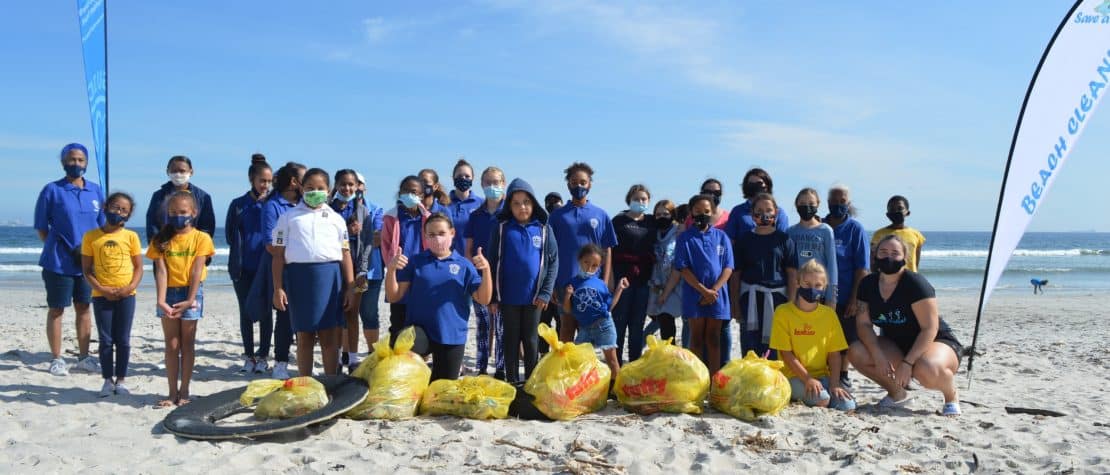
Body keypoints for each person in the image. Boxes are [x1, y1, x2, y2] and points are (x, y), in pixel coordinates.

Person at [848, 235, 963, 416]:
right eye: (883, 252)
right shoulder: (868, 284)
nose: (888, 257)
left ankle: (951, 396)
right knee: (856, 351)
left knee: (926, 369)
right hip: (897, 344)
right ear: (875, 256)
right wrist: (878, 355)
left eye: (895, 253)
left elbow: (929, 328)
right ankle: (897, 394)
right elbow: (863, 324)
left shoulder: (915, 284)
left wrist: (907, 363)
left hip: (934, 341)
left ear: (905, 257)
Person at [386, 213, 493, 381]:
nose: (437, 239)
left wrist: (486, 270)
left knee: (442, 388)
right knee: (407, 367)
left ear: (452, 233)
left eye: (442, 233)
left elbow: (484, 299)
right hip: (420, 331)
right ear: (425, 236)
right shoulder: (416, 262)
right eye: (432, 235)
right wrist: (391, 270)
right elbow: (394, 296)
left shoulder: (464, 265)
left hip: (451, 334)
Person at [271, 168, 356, 377]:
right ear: (301, 188)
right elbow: (278, 255)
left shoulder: (336, 219)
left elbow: (345, 254)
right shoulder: (288, 217)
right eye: (309, 188)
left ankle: (330, 382)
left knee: (329, 337)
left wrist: (350, 288)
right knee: (304, 336)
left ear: (329, 191)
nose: (314, 192)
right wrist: (277, 288)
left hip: (330, 279)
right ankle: (305, 384)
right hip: (299, 279)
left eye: (320, 188)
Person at [34, 143, 105, 376]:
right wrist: (61, 248)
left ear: (87, 163)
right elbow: (42, 228)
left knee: (84, 307)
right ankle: (57, 358)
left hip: (87, 262)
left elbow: (103, 226)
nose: (77, 164)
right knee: (56, 309)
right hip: (58, 262)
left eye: (81, 160)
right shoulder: (52, 190)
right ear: (64, 162)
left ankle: (84, 356)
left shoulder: (95, 190)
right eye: (72, 160)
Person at [147, 191, 215, 407]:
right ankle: (171, 392)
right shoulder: (160, 239)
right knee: (171, 344)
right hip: (169, 293)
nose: (178, 216)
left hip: (191, 293)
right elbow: (161, 271)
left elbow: (197, 270)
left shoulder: (201, 238)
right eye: (174, 212)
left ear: (193, 213)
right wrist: (161, 299)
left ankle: (184, 390)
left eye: (183, 212)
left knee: (187, 344)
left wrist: (190, 299)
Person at [486, 178, 558, 383]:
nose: (522, 207)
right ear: (509, 205)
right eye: (516, 203)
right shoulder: (501, 228)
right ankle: (512, 382)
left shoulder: (543, 229)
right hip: (507, 297)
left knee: (531, 340)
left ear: (533, 203)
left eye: (526, 201)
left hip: (534, 298)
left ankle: (530, 382)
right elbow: (492, 262)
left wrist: (545, 292)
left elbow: (553, 262)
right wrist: (493, 296)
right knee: (510, 340)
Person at [769, 260, 856, 411]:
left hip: (823, 376)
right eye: (807, 284)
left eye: (817, 285)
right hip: (793, 376)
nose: (812, 289)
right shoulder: (782, 312)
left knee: (848, 406)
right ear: (797, 283)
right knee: (823, 400)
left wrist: (835, 384)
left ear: (824, 287)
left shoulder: (829, 314)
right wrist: (808, 379)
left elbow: (834, 355)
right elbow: (786, 354)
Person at [81, 192, 143, 397]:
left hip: (127, 295)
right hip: (101, 296)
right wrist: (102, 289)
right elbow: (87, 270)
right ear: (106, 207)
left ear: (129, 215)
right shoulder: (91, 236)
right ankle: (107, 380)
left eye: (124, 210)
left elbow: (138, 268)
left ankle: (122, 379)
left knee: (123, 339)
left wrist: (129, 287)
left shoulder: (131, 236)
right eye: (115, 207)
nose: (119, 212)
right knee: (106, 339)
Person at [249, 161, 306, 380]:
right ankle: (280, 361)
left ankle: (302, 360)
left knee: (304, 318)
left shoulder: (308, 205)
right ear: (294, 181)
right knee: (285, 316)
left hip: (307, 269)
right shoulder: (273, 206)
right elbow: (271, 244)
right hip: (284, 268)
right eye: (304, 178)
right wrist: (297, 247)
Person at [549, 162, 619, 343]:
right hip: (564, 281)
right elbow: (549, 251)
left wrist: (605, 280)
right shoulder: (557, 216)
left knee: (589, 330)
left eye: (583, 182)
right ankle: (567, 369)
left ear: (590, 184)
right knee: (566, 328)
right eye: (574, 182)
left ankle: (587, 371)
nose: (578, 186)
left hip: (592, 283)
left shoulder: (601, 215)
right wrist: (550, 284)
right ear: (568, 184)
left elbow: (607, 249)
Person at [673, 194, 734, 375]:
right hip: (695, 294)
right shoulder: (685, 238)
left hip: (718, 295)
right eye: (698, 211)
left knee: (714, 338)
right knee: (697, 339)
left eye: (706, 211)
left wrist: (713, 290)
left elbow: (728, 267)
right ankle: (698, 378)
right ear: (691, 212)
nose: (702, 214)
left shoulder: (722, 237)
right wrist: (703, 290)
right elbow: (683, 268)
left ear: (713, 212)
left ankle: (715, 381)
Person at [734, 193, 798, 360]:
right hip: (750, 299)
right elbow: (736, 274)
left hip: (778, 300)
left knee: (776, 347)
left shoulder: (784, 239)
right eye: (759, 210)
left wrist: (791, 304)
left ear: (776, 212)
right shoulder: (744, 239)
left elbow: (792, 274)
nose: (764, 214)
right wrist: (735, 304)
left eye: (768, 210)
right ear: (752, 214)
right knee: (750, 346)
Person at [226, 157, 273, 374]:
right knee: (245, 311)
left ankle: (264, 355)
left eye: (269, 181)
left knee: (265, 313)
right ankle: (249, 356)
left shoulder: (272, 203)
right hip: (242, 267)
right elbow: (229, 235)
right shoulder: (238, 204)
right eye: (262, 181)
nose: (265, 185)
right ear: (251, 180)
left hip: (266, 267)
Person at [825, 183, 870, 388]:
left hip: (846, 294)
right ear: (827, 203)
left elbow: (862, 268)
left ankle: (843, 375)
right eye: (834, 201)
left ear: (848, 203)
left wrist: (854, 298)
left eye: (842, 202)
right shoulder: (821, 225)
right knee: (823, 337)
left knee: (845, 339)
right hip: (820, 295)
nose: (837, 205)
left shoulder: (855, 229)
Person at [464, 166, 507, 376]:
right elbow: (468, 249)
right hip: (479, 277)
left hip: (503, 278)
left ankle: (500, 367)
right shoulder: (476, 215)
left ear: (503, 184)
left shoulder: (509, 214)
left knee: (500, 326)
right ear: (482, 185)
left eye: (496, 182)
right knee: (482, 324)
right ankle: (481, 367)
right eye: (488, 182)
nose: (492, 186)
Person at [563, 244, 627, 384]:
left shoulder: (600, 284)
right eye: (586, 262)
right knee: (579, 359)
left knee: (612, 360)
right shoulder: (572, 283)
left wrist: (619, 289)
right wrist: (567, 296)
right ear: (579, 260)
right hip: (585, 328)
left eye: (595, 265)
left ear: (599, 266)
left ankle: (618, 390)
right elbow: (568, 310)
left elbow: (609, 306)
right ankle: (587, 389)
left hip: (604, 326)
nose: (589, 267)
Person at [610, 184, 656, 363]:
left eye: (644, 199)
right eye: (636, 199)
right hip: (623, 280)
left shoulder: (651, 221)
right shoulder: (618, 221)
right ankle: (617, 367)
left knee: (637, 327)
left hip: (644, 281)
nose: (640, 202)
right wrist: (611, 280)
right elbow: (609, 251)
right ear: (629, 200)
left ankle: (635, 365)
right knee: (619, 325)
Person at [381, 175, 431, 340]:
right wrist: (391, 265)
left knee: (420, 323)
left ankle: (418, 360)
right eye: (406, 191)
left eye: (415, 192)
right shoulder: (391, 217)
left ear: (422, 196)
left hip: (421, 275)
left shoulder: (428, 218)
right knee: (398, 321)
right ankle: (396, 360)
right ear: (400, 193)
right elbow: (386, 245)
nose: (410, 194)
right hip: (399, 275)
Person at [330, 169, 370, 373]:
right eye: (343, 184)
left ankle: (353, 359)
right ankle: (335, 359)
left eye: (351, 185)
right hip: (333, 269)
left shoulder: (363, 210)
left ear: (357, 187)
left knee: (353, 315)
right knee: (335, 317)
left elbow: (369, 244)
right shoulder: (327, 209)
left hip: (358, 271)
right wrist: (347, 228)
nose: (347, 188)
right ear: (336, 185)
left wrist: (362, 271)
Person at [786, 188, 838, 307]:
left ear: (818, 204)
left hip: (819, 293)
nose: (807, 207)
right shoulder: (790, 232)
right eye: (803, 204)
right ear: (796, 205)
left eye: (811, 204)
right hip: (797, 293)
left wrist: (832, 298)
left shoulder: (825, 230)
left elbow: (832, 266)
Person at [145, 155, 216, 242]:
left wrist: (200, 247)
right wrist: (157, 246)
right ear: (168, 172)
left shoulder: (203, 197)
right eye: (174, 171)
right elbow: (152, 224)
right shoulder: (158, 196)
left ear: (191, 172)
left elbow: (207, 227)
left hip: (193, 249)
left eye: (182, 171)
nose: (178, 174)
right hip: (165, 248)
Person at [353, 177, 386, 358]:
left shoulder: (376, 208)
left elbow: (377, 238)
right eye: (351, 183)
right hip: (347, 271)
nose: (355, 187)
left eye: (358, 183)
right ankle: (347, 353)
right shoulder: (339, 208)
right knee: (347, 314)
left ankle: (372, 353)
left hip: (371, 271)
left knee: (369, 313)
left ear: (364, 187)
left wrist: (356, 236)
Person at [645, 200, 682, 343]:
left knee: (667, 319)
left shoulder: (678, 233)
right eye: (658, 214)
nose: (661, 217)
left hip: (674, 283)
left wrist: (666, 291)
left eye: (665, 214)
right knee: (658, 318)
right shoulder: (653, 233)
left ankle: (671, 352)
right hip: (655, 284)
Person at [871, 195, 925, 272]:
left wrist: (914, 275)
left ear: (907, 212)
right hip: (887, 279)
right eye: (892, 209)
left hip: (909, 279)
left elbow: (916, 262)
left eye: (900, 208)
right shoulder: (879, 234)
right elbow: (873, 261)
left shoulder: (916, 234)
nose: (896, 211)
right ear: (887, 214)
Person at [539, 191, 564, 353]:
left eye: (556, 201)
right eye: (549, 202)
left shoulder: (565, 222)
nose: (553, 204)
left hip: (564, 281)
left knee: (563, 323)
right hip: (547, 281)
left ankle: (560, 353)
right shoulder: (543, 224)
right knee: (544, 322)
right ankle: (543, 354)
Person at [447, 159, 483, 254]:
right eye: (459, 176)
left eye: (467, 176)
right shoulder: (443, 204)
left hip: (474, 260)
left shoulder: (482, 204)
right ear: (453, 178)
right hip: (449, 260)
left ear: (473, 178)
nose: (463, 178)